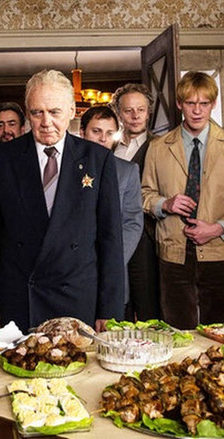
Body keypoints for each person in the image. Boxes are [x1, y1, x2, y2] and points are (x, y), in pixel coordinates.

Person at [0, 70, 125, 333]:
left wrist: (109, 310)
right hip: (20, 298)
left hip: (77, 298)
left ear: (71, 111)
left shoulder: (98, 159)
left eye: (54, 112)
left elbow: (110, 240)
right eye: (37, 112)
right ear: (27, 113)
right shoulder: (0, 159)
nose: (46, 122)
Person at [141, 72, 224, 328]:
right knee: (177, 331)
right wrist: (165, 204)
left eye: (204, 103)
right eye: (190, 103)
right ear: (179, 104)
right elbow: (143, 194)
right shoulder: (158, 147)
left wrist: (218, 227)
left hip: (221, 250)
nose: (197, 111)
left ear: (213, 104)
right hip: (173, 252)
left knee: (220, 331)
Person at [80, 106, 143, 314]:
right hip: (72, 274)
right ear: (82, 132)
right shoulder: (64, 169)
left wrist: (111, 261)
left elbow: (132, 223)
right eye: (96, 131)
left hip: (112, 274)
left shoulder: (128, 171)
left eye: (109, 133)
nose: (103, 138)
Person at [110, 83, 160, 321]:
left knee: (147, 302)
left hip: (147, 237)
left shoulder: (161, 146)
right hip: (113, 235)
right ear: (118, 114)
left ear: (148, 113)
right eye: (128, 110)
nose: (135, 115)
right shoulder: (109, 148)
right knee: (119, 299)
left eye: (141, 109)